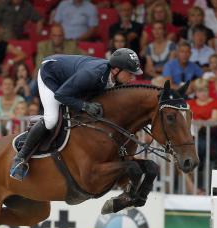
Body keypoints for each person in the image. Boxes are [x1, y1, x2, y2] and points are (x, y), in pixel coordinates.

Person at [10, 48, 143, 181]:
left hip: (70, 79)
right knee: (51, 119)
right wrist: (84, 106)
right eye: (130, 73)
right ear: (115, 69)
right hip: (51, 75)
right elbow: (60, 95)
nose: (133, 77)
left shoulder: (113, 77)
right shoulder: (92, 75)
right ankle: (20, 158)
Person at [187, 78, 217, 194]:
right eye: (200, 91)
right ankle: (194, 187)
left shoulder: (215, 103)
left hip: (208, 136)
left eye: (205, 90)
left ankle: (198, 186)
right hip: (191, 136)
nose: (203, 93)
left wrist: (201, 124)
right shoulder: (190, 103)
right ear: (196, 92)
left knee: (198, 148)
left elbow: (215, 119)